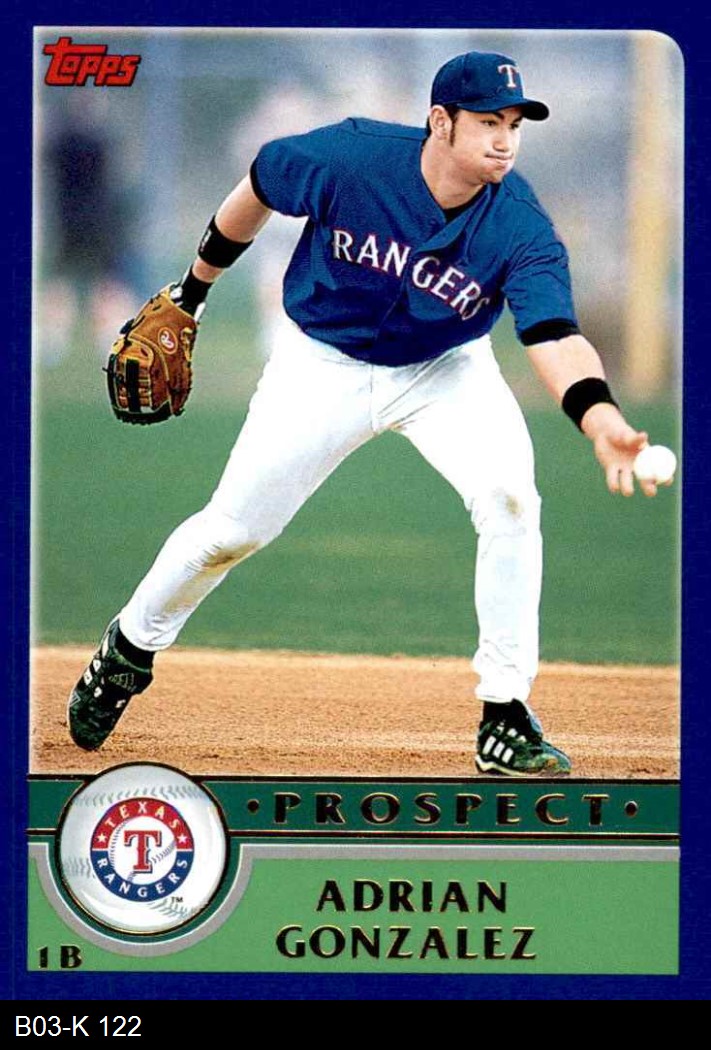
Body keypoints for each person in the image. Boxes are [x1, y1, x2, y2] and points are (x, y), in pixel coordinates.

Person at [68, 50, 658, 776]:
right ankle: (128, 649)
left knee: (511, 499)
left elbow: (554, 335)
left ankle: (504, 713)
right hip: (320, 360)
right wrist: (193, 290)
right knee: (232, 532)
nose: (504, 139)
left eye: (513, 124)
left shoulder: (520, 225)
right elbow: (260, 182)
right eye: (487, 122)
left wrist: (600, 419)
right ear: (440, 121)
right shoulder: (352, 158)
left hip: (445, 368)